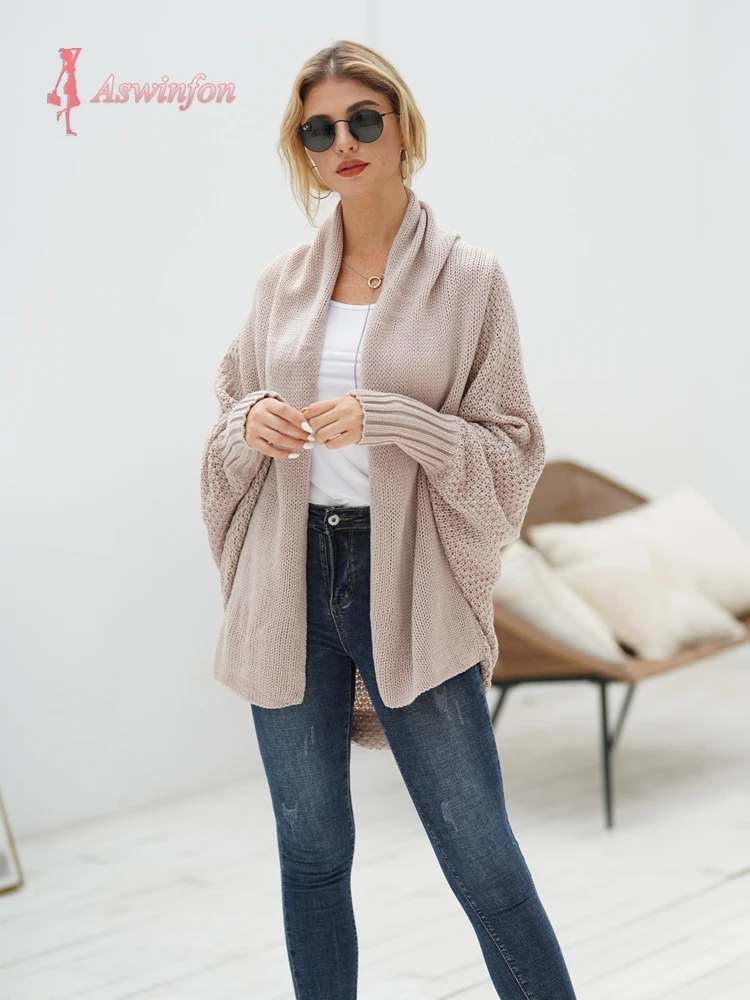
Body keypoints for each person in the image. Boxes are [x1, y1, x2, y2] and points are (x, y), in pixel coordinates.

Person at [200, 39, 578, 1000]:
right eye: (319, 129)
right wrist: (253, 421)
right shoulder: (280, 284)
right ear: (303, 149)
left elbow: (513, 442)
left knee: (483, 861)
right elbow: (229, 414)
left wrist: (393, 419)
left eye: (364, 119)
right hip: (288, 579)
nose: (345, 142)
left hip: (406, 578)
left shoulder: (469, 279)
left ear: (403, 127)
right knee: (312, 856)